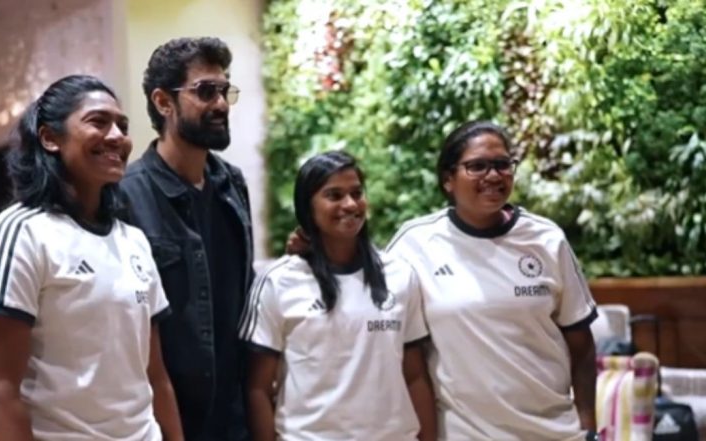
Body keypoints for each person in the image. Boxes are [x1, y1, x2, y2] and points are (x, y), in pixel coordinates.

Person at [0, 75, 183, 441]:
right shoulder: (20, 234)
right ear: (50, 138)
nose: (117, 136)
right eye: (98, 122)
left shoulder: (133, 240)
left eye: (122, 125)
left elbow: (155, 374)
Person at [385, 120, 598, 441]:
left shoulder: (546, 239)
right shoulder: (414, 243)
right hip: (464, 433)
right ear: (448, 180)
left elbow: (581, 345)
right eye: (477, 167)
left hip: (555, 432)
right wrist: (311, 252)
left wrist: (587, 425)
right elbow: (367, 303)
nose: (494, 176)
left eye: (503, 165)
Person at [242, 151, 437, 441]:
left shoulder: (399, 275)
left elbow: (415, 376)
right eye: (334, 195)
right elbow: (257, 388)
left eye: (356, 193)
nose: (349, 204)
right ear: (308, 207)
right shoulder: (278, 282)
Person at [119, 37, 253, 441]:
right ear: (164, 102)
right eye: (205, 91)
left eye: (225, 90)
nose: (222, 104)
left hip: (236, 412)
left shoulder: (232, 184)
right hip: (166, 418)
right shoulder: (127, 194)